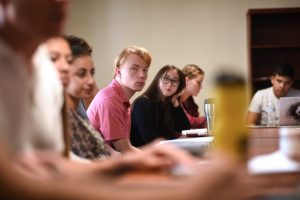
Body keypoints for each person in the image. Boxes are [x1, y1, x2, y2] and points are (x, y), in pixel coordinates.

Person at [87, 46, 151, 153]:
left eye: (145, 70)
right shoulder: (110, 99)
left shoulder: (121, 99)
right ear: (118, 71)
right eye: (134, 68)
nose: (142, 75)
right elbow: (125, 150)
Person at [130, 65, 190, 147]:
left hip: (161, 152)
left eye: (174, 81)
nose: (169, 85)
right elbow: (150, 141)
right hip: (143, 153)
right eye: (166, 79)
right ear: (158, 80)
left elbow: (185, 128)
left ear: (179, 86)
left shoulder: (168, 103)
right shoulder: (143, 103)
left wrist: (175, 102)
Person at [180, 64, 206, 128]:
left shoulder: (189, 100)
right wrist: (210, 120)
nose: (201, 87)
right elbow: (188, 121)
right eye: (199, 82)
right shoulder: (174, 98)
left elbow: (196, 121)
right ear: (186, 80)